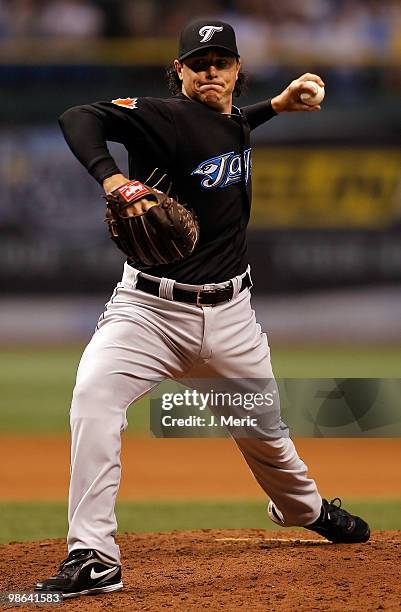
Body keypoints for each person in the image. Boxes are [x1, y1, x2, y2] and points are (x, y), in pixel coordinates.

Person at [35, 18, 370, 599]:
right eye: (198, 62)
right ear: (179, 71)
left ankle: (305, 510)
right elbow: (78, 118)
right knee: (93, 397)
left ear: (238, 69)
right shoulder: (161, 114)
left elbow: (228, 128)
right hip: (147, 313)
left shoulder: (232, 119)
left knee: (267, 437)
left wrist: (277, 106)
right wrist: (113, 180)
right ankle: (93, 555)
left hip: (232, 316)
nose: (210, 71)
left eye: (221, 61)